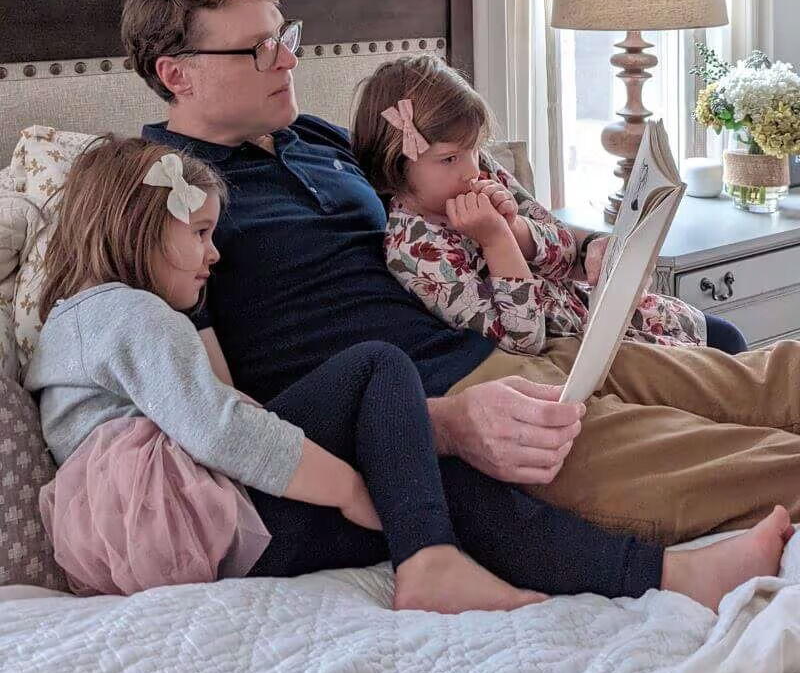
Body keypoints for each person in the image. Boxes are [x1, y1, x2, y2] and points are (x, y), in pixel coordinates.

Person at [126, 0, 800, 549]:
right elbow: (216, 409)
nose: (289, 60)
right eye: (259, 50)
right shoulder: (160, 196)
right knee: (749, 463)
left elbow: (455, 198)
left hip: (515, 342)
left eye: (286, 38)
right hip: (451, 407)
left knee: (763, 377)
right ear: (176, 73)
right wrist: (437, 426)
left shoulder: (320, 139)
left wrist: (586, 245)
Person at [26, 135, 782, 610]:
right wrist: (358, 489)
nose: (215, 254)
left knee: (444, 488)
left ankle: (666, 576)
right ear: (136, 228)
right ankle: (428, 559)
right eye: (198, 234)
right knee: (375, 370)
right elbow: (222, 424)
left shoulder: (78, 327)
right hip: (199, 517)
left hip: (224, 542)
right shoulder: (127, 313)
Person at [349, 53, 744, 356]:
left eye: (473, 150)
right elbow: (524, 337)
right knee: (720, 371)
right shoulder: (415, 251)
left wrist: (518, 229)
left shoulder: (481, 172)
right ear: (394, 166)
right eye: (450, 158)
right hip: (577, 346)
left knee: (725, 336)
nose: (471, 169)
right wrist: (496, 239)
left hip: (591, 309)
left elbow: (563, 247)